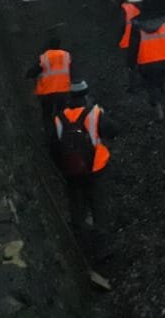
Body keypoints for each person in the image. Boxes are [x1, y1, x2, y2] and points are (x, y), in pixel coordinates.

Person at [52, 80, 119, 252]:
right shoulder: (95, 113)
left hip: (71, 170)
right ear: (86, 94)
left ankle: (79, 241)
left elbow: (53, 146)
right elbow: (113, 130)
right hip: (96, 167)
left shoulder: (59, 118)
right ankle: (102, 245)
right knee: (98, 203)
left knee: (76, 202)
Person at [127, 5, 165, 122]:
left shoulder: (137, 25)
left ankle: (158, 108)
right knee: (159, 78)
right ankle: (161, 93)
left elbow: (133, 46)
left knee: (150, 84)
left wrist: (130, 63)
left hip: (145, 60)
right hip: (164, 57)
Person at [25, 36, 72, 127]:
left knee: (47, 114)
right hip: (63, 91)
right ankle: (62, 133)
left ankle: (49, 133)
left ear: (49, 46)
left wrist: (28, 74)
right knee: (62, 114)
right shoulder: (66, 55)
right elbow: (71, 70)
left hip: (47, 92)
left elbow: (35, 71)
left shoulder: (45, 57)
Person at [118, 0, 143, 92]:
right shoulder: (139, 8)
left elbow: (121, 26)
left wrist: (118, 39)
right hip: (140, 39)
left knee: (131, 64)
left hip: (128, 41)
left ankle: (133, 86)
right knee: (140, 60)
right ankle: (142, 81)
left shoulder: (125, 9)